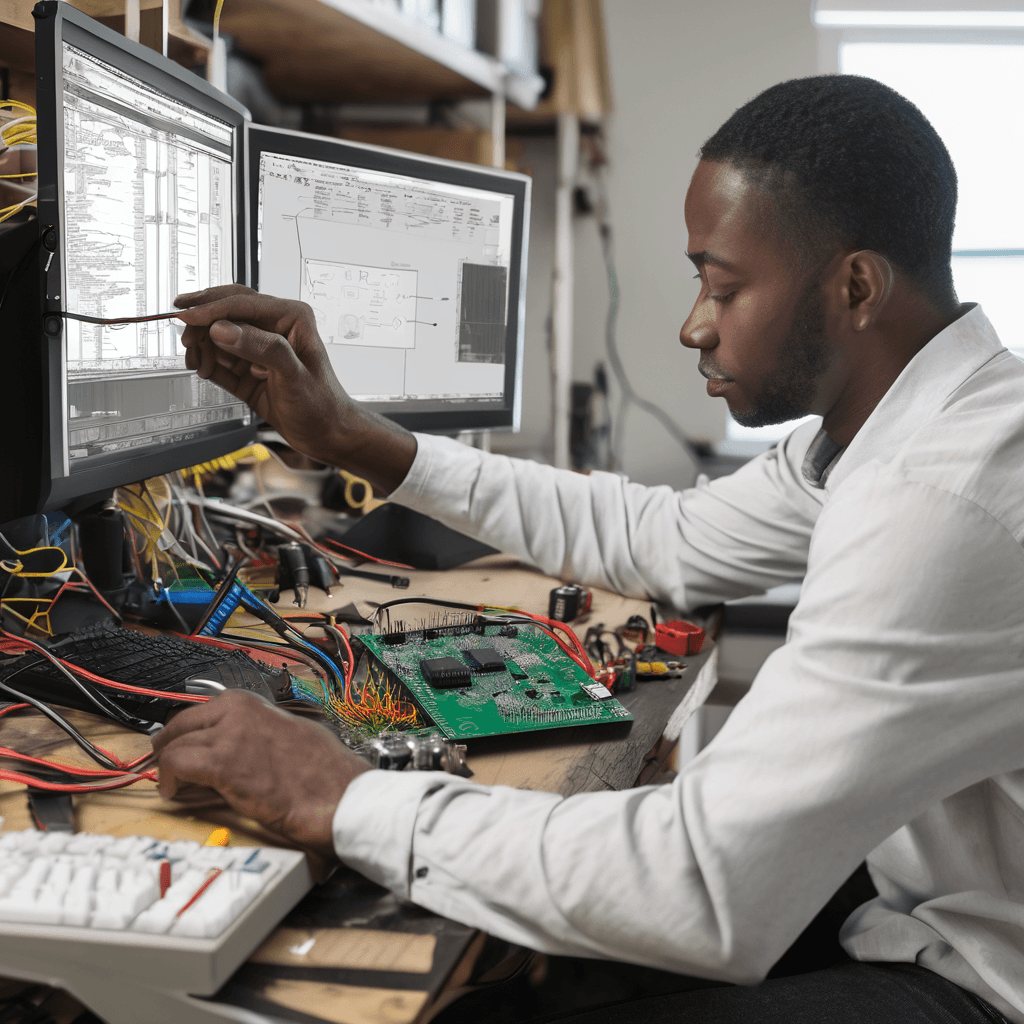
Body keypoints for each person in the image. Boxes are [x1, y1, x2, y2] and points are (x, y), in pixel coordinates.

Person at [154, 75, 1024, 1023]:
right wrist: (364, 441)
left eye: (723, 286)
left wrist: (341, 794)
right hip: (930, 904)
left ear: (855, 286)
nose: (695, 323)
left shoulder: (944, 499)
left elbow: (698, 887)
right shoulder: (901, 429)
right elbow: (669, 539)